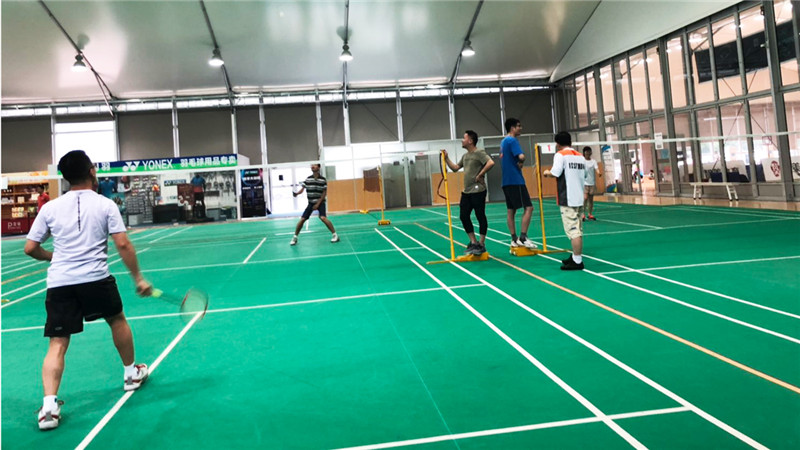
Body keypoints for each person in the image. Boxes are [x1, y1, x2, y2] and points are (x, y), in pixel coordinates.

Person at [24, 150, 153, 431]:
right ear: (92, 171)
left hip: (60, 283)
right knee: (116, 320)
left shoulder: (50, 208)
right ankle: (131, 374)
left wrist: (53, 257)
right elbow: (123, 244)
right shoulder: (105, 205)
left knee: (58, 342)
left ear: (65, 177)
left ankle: (49, 408)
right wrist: (139, 279)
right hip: (96, 279)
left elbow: (30, 248)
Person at [443, 130, 495, 255]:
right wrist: (446, 158)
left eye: (464, 138)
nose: (462, 140)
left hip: (478, 190)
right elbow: (455, 168)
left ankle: (481, 244)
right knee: (463, 216)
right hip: (467, 191)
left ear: (470, 141)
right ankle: (473, 242)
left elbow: (490, 162)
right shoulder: (465, 156)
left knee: (480, 215)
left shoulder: (479, 153)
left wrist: (480, 174)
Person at [543, 132, 586, 271]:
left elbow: (555, 172)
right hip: (579, 197)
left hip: (568, 198)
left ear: (557, 144)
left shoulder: (560, 155)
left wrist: (546, 172)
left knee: (574, 231)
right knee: (578, 228)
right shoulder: (580, 156)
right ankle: (575, 256)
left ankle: (577, 261)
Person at [500, 118, 537, 249]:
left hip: (506, 182)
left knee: (511, 210)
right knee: (529, 208)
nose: (520, 128)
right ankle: (523, 237)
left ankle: (514, 239)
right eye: (518, 126)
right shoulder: (512, 140)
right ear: (512, 128)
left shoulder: (503, 141)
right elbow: (521, 156)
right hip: (515, 180)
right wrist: (522, 161)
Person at [290, 164, 339, 246]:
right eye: (311, 166)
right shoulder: (308, 179)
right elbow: (302, 189)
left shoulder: (323, 180)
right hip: (311, 203)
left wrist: (318, 204)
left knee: (323, 217)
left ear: (319, 167)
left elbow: (324, 193)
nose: (312, 167)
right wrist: (297, 194)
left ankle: (335, 235)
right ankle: (295, 237)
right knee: (302, 219)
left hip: (320, 202)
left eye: (314, 165)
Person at [582, 147, 601, 221]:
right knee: (585, 198)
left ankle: (590, 214)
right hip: (584, 182)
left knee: (591, 200)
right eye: (586, 152)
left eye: (589, 152)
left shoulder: (593, 161)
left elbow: (596, 168)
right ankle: (582, 214)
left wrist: (599, 173)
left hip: (592, 183)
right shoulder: (582, 161)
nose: (588, 153)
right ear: (584, 153)